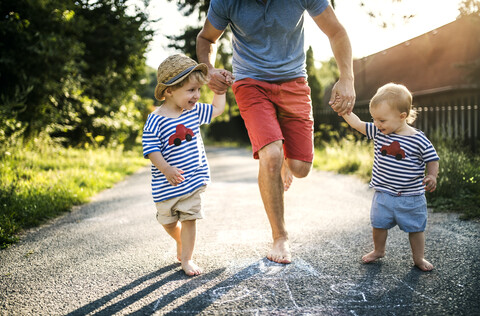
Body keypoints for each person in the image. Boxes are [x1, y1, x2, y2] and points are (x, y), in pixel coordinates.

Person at [196, 0, 355, 264]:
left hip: (293, 80)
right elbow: (206, 38)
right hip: (250, 82)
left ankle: (284, 160)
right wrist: (209, 69)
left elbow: (336, 31)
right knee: (271, 156)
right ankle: (280, 237)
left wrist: (346, 77)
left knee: (301, 168)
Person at [142, 54, 226, 276]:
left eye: (198, 90)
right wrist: (166, 169)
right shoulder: (156, 119)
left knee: (190, 218)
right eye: (191, 90)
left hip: (193, 180)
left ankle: (187, 259)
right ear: (169, 91)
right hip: (165, 184)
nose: (197, 95)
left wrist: (220, 91)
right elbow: (151, 149)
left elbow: (217, 110)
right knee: (167, 222)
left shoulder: (194, 111)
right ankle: (179, 240)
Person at [341, 83, 439, 271]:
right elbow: (358, 124)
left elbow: (432, 158)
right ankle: (379, 250)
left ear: (402, 117)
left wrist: (432, 176)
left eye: (382, 120)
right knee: (378, 224)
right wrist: (345, 111)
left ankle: (419, 258)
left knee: (416, 228)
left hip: (412, 196)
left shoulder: (418, 139)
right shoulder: (378, 131)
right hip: (383, 194)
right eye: (374, 119)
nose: (377, 124)